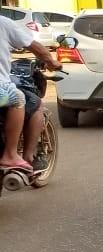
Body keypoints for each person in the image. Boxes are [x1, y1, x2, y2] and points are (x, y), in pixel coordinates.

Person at [0, 13, 61, 172]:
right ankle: (14, 155)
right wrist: (51, 61)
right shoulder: (4, 23)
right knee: (23, 99)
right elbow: (37, 48)